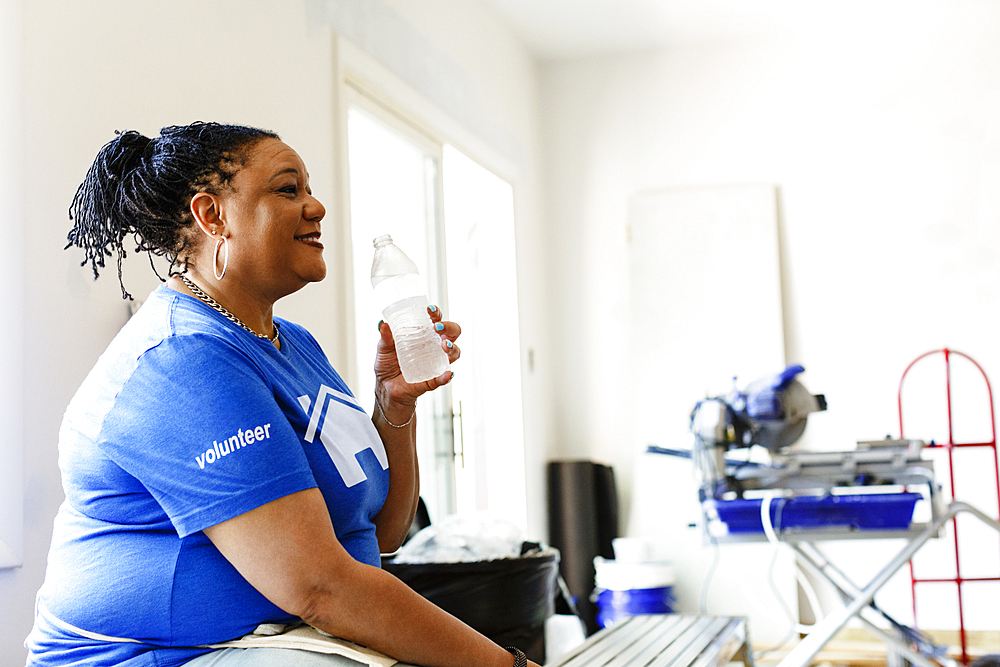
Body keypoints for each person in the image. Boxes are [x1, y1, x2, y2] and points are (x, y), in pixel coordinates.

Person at [25, 122, 537, 667]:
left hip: (280, 638)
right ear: (212, 215)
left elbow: (381, 532)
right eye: (287, 189)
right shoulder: (182, 358)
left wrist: (394, 402)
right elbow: (321, 588)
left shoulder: (289, 342)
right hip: (156, 656)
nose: (315, 207)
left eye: (310, 190)